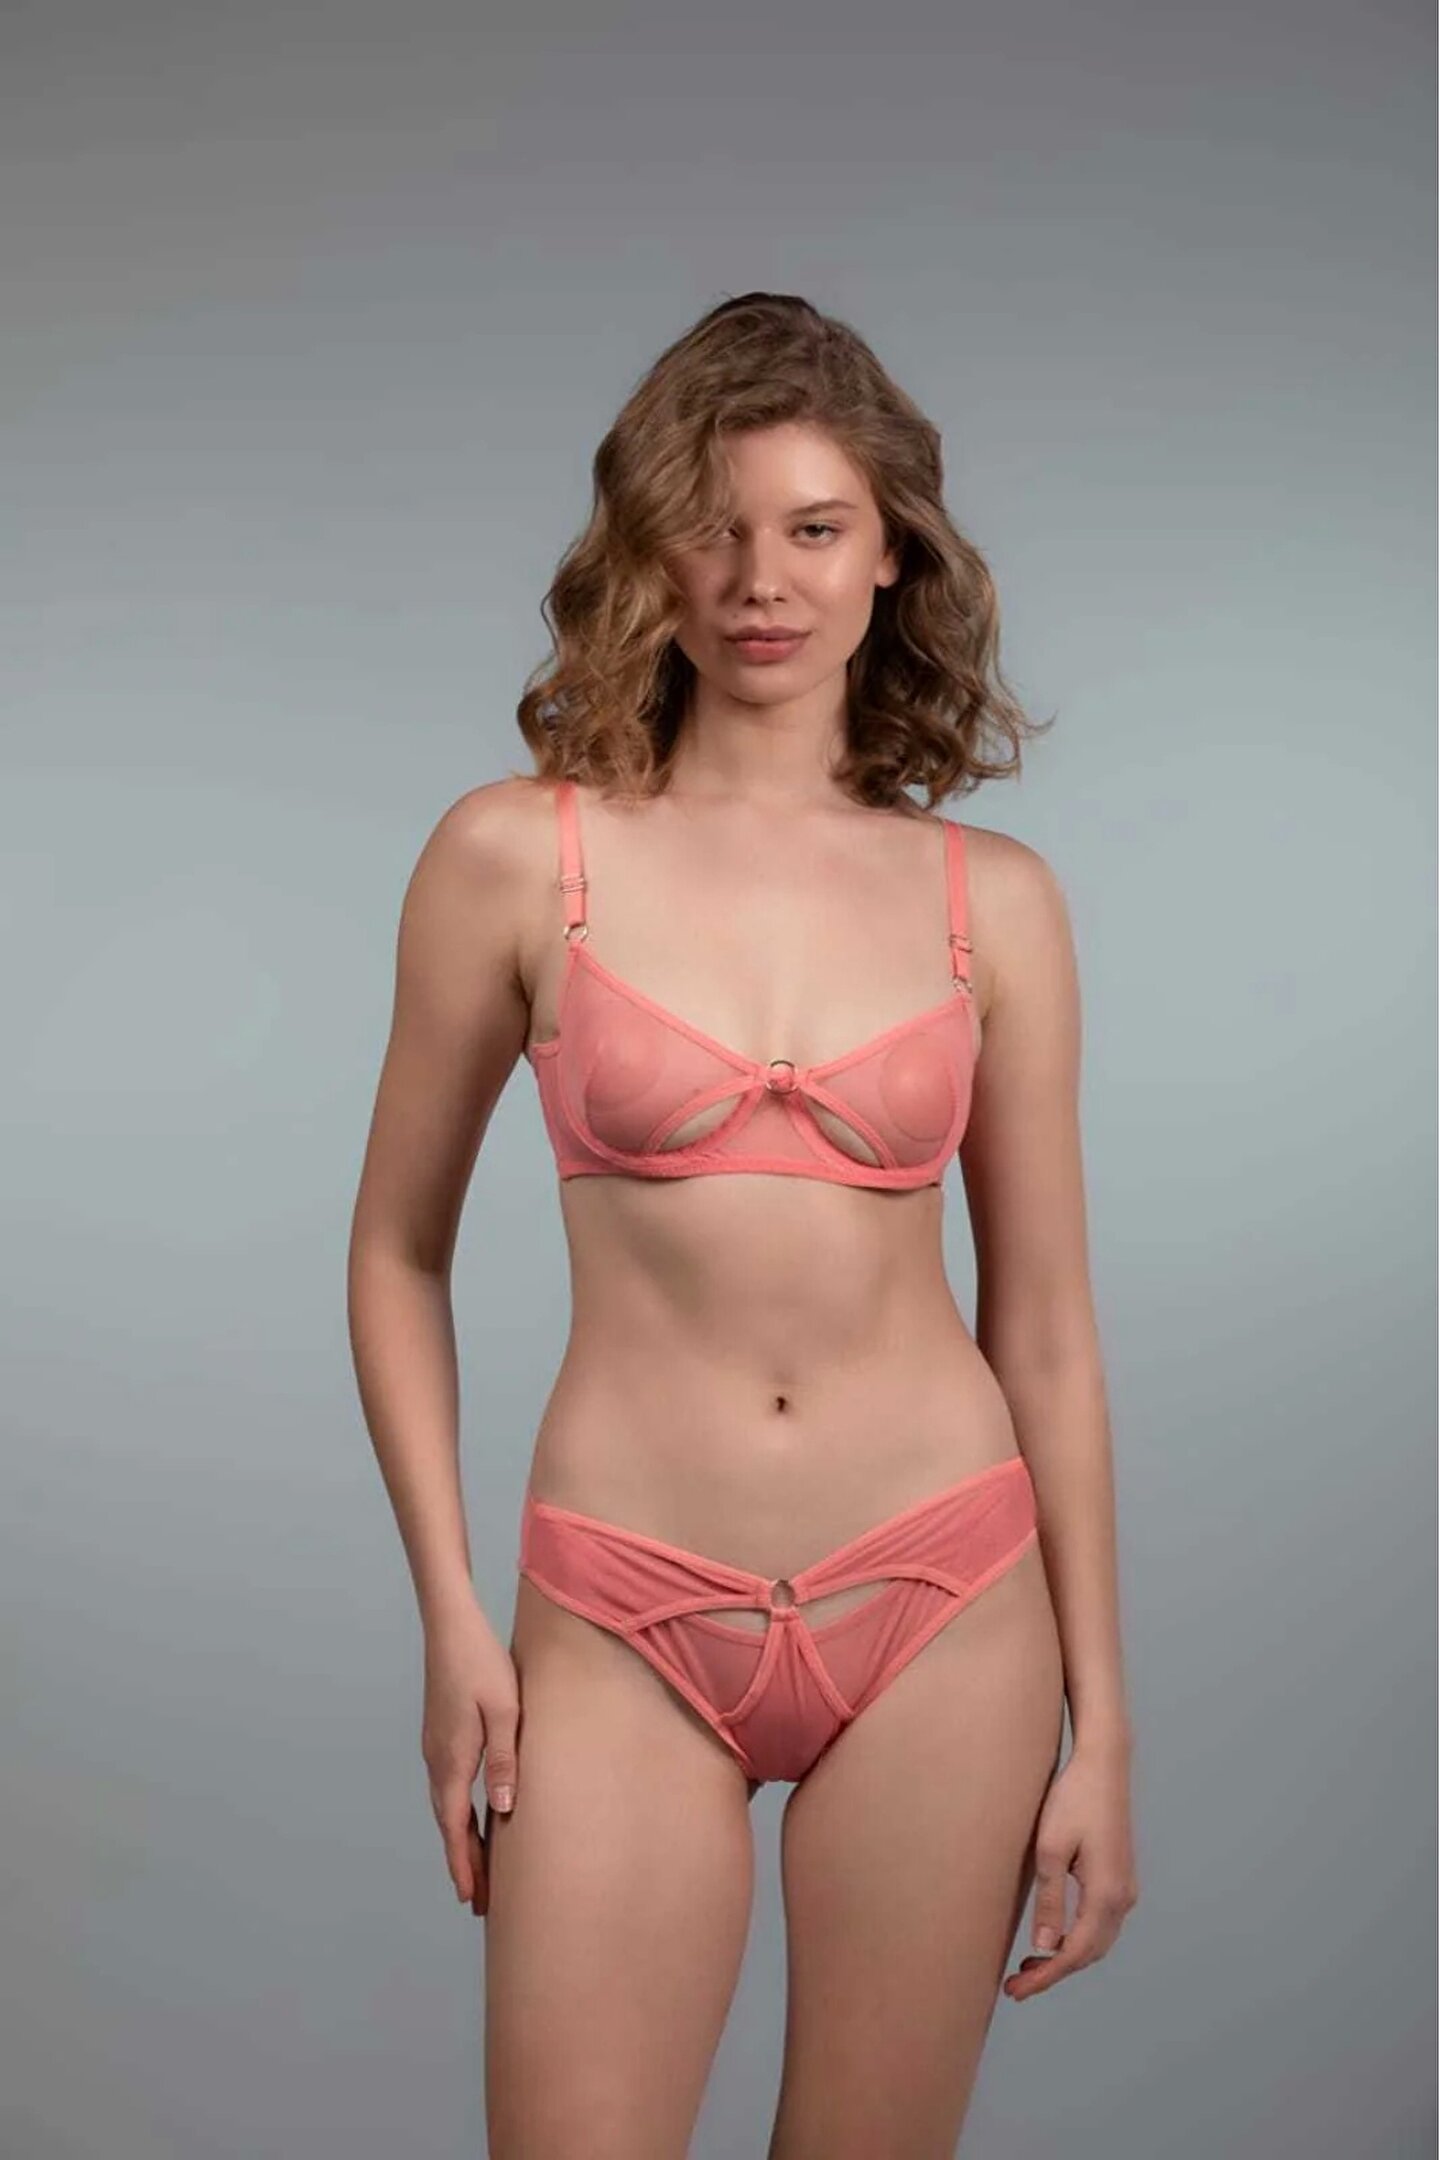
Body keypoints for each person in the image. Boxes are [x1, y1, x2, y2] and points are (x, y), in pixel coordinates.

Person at [347, 292, 1138, 2159]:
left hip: (945, 1597)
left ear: (892, 555)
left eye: (814, 528)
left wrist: (1105, 1726)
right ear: (650, 553)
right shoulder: (513, 855)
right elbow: (395, 1252)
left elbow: (1043, 1329)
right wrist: (450, 1619)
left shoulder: (997, 902)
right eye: (712, 528)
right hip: (622, 1603)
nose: (762, 581)